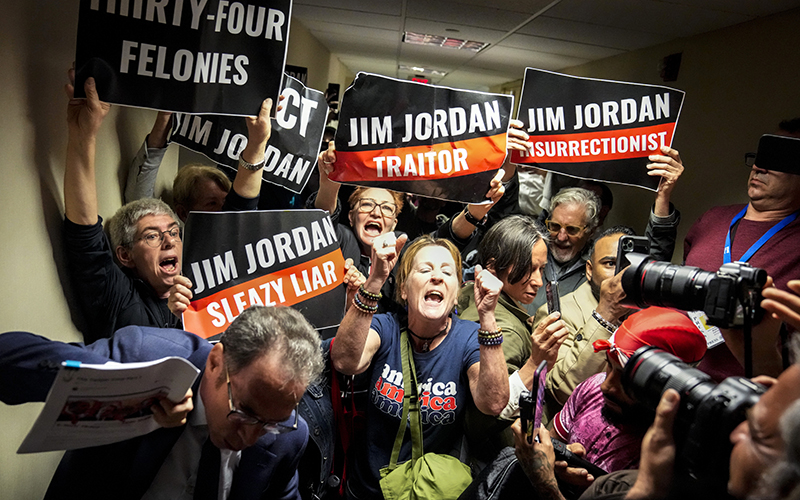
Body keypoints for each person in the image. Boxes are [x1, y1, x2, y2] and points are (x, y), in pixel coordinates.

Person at [0, 305, 324, 500]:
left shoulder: (290, 436)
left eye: (271, 422)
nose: (250, 437)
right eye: (245, 412)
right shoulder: (146, 355)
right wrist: (123, 389)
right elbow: (8, 360)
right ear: (215, 363)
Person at [62, 69, 273, 343]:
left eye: (174, 232)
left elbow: (236, 218)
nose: (169, 242)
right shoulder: (118, 298)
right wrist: (83, 136)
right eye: (152, 236)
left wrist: (257, 144)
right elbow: (85, 236)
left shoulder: (206, 281)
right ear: (125, 256)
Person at [330, 233, 509, 499]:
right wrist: (375, 280)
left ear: (457, 296)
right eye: (425, 270)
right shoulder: (386, 327)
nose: (436, 277)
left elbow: (493, 403)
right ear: (404, 289)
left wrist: (488, 317)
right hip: (368, 490)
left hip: (430, 492)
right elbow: (345, 361)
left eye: (447, 273)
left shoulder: (468, 337)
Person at [684, 119, 800, 380]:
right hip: (677, 379)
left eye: (779, 157)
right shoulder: (711, 218)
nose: (759, 166)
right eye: (760, 155)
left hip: (751, 395)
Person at [458, 215, 568, 464]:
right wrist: (535, 364)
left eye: (541, 269)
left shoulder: (470, 292)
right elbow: (480, 419)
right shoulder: (504, 328)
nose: (539, 281)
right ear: (494, 267)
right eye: (529, 269)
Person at [551, 308, 707, 483]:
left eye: (626, 378)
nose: (606, 386)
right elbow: (552, 444)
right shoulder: (592, 387)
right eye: (609, 365)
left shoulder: (675, 456)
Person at [524, 145, 684, 314]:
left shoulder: (602, 268)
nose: (561, 237)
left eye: (572, 229)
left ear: (591, 231)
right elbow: (502, 220)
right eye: (555, 227)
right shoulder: (529, 252)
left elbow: (650, 268)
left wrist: (663, 197)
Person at [531, 227, 648, 420]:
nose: (621, 273)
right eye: (610, 263)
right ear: (589, 270)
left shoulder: (646, 314)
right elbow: (562, 390)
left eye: (629, 265)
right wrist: (606, 315)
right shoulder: (558, 314)